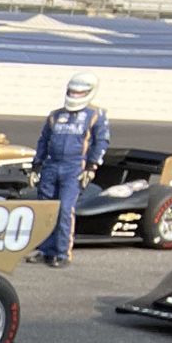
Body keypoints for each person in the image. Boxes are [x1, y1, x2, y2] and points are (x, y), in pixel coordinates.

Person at [28, 71, 110, 269]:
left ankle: (62, 252)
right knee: (46, 209)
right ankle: (44, 249)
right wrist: (36, 165)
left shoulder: (96, 115)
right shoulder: (55, 115)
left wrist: (91, 167)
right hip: (51, 165)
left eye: (79, 93)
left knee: (65, 209)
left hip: (74, 167)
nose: (75, 96)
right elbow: (43, 141)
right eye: (72, 92)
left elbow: (101, 142)